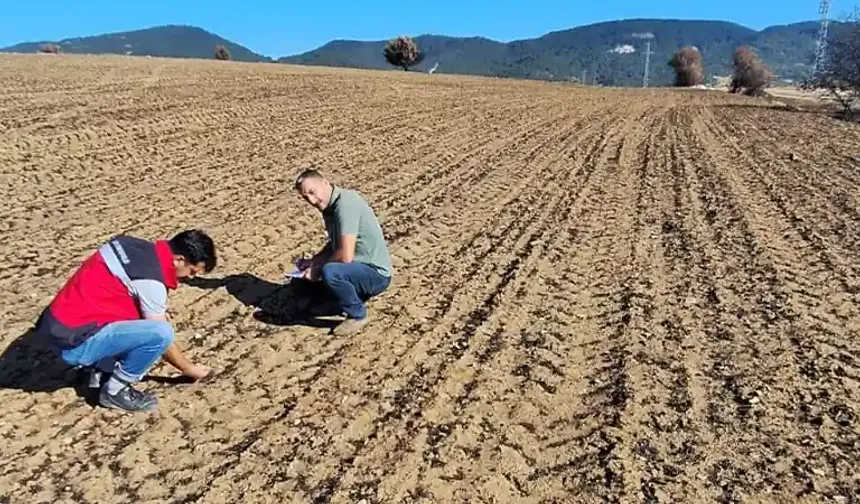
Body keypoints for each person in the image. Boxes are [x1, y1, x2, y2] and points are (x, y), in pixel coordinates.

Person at [33, 230, 217, 413]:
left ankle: (99, 371)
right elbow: (162, 338)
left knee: (143, 314)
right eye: (192, 272)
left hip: (56, 325)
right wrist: (188, 368)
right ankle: (115, 390)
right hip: (73, 344)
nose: (190, 278)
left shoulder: (128, 245)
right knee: (160, 332)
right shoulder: (150, 281)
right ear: (179, 260)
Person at [292, 169, 393, 335]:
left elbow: (345, 255)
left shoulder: (346, 204)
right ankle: (334, 298)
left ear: (325, 182)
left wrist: (317, 269)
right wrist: (314, 261)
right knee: (306, 277)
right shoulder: (328, 207)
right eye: (305, 197)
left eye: (312, 192)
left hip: (375, 274)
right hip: (356, 267)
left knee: (330, 272)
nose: (311, 200)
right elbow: (335, 243)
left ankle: (357, 315)